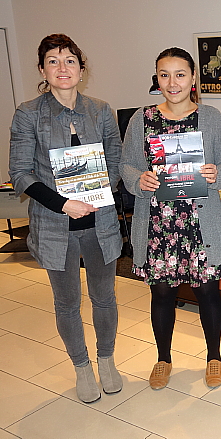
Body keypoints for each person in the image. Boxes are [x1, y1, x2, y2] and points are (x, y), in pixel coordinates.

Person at [9, 34, 123, 403]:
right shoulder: (29, 113)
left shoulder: (101, 110)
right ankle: (82, 367)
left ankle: (106, 360)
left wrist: (99, 192)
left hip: (100, 221)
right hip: (55, 223)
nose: (63, 68)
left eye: (70, 60)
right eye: (54, 61)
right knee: (67, 302)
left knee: (104, 297)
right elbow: (21, 172)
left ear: (81, 68)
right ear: (42, 69)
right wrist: (63, 204)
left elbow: (116, 159)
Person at [120, 47, 221, 391]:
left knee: (209, 292)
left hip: (202, 224)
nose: (172, 82)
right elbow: (126, 166)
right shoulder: (142, 118)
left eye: (180, 74)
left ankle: (214, 357)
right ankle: (163, 358)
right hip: (158, 224)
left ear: (193, 77)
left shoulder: (211, 118)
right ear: (157, 78)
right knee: (162, 295)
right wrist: (139, 180)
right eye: (164, 75)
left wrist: (218, 175)